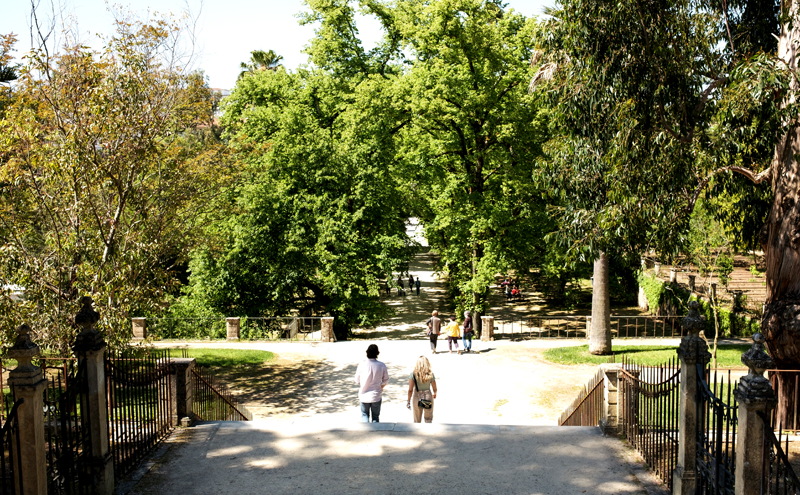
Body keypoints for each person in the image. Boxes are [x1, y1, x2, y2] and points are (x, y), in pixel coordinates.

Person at [353, 344, 389, 423]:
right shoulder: (381, 365)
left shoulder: (362, 364)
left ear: (367, 353)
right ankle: (375, 433)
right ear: (377, 353)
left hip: (364, 395)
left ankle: (365, 432)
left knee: (365, 415)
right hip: (376, 395)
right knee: (375, 417)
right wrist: (381, 387)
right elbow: (386, 380)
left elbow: (357, 380)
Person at [406, 356, 437, 423]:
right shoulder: (430, 374)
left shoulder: (413, 374)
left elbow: (410, 390)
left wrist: (408, 400)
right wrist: (435, 393)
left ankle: (417, 433)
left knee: (417, 420)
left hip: (417, 396)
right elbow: (434, 388)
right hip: (427, 396)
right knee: (428, 419)